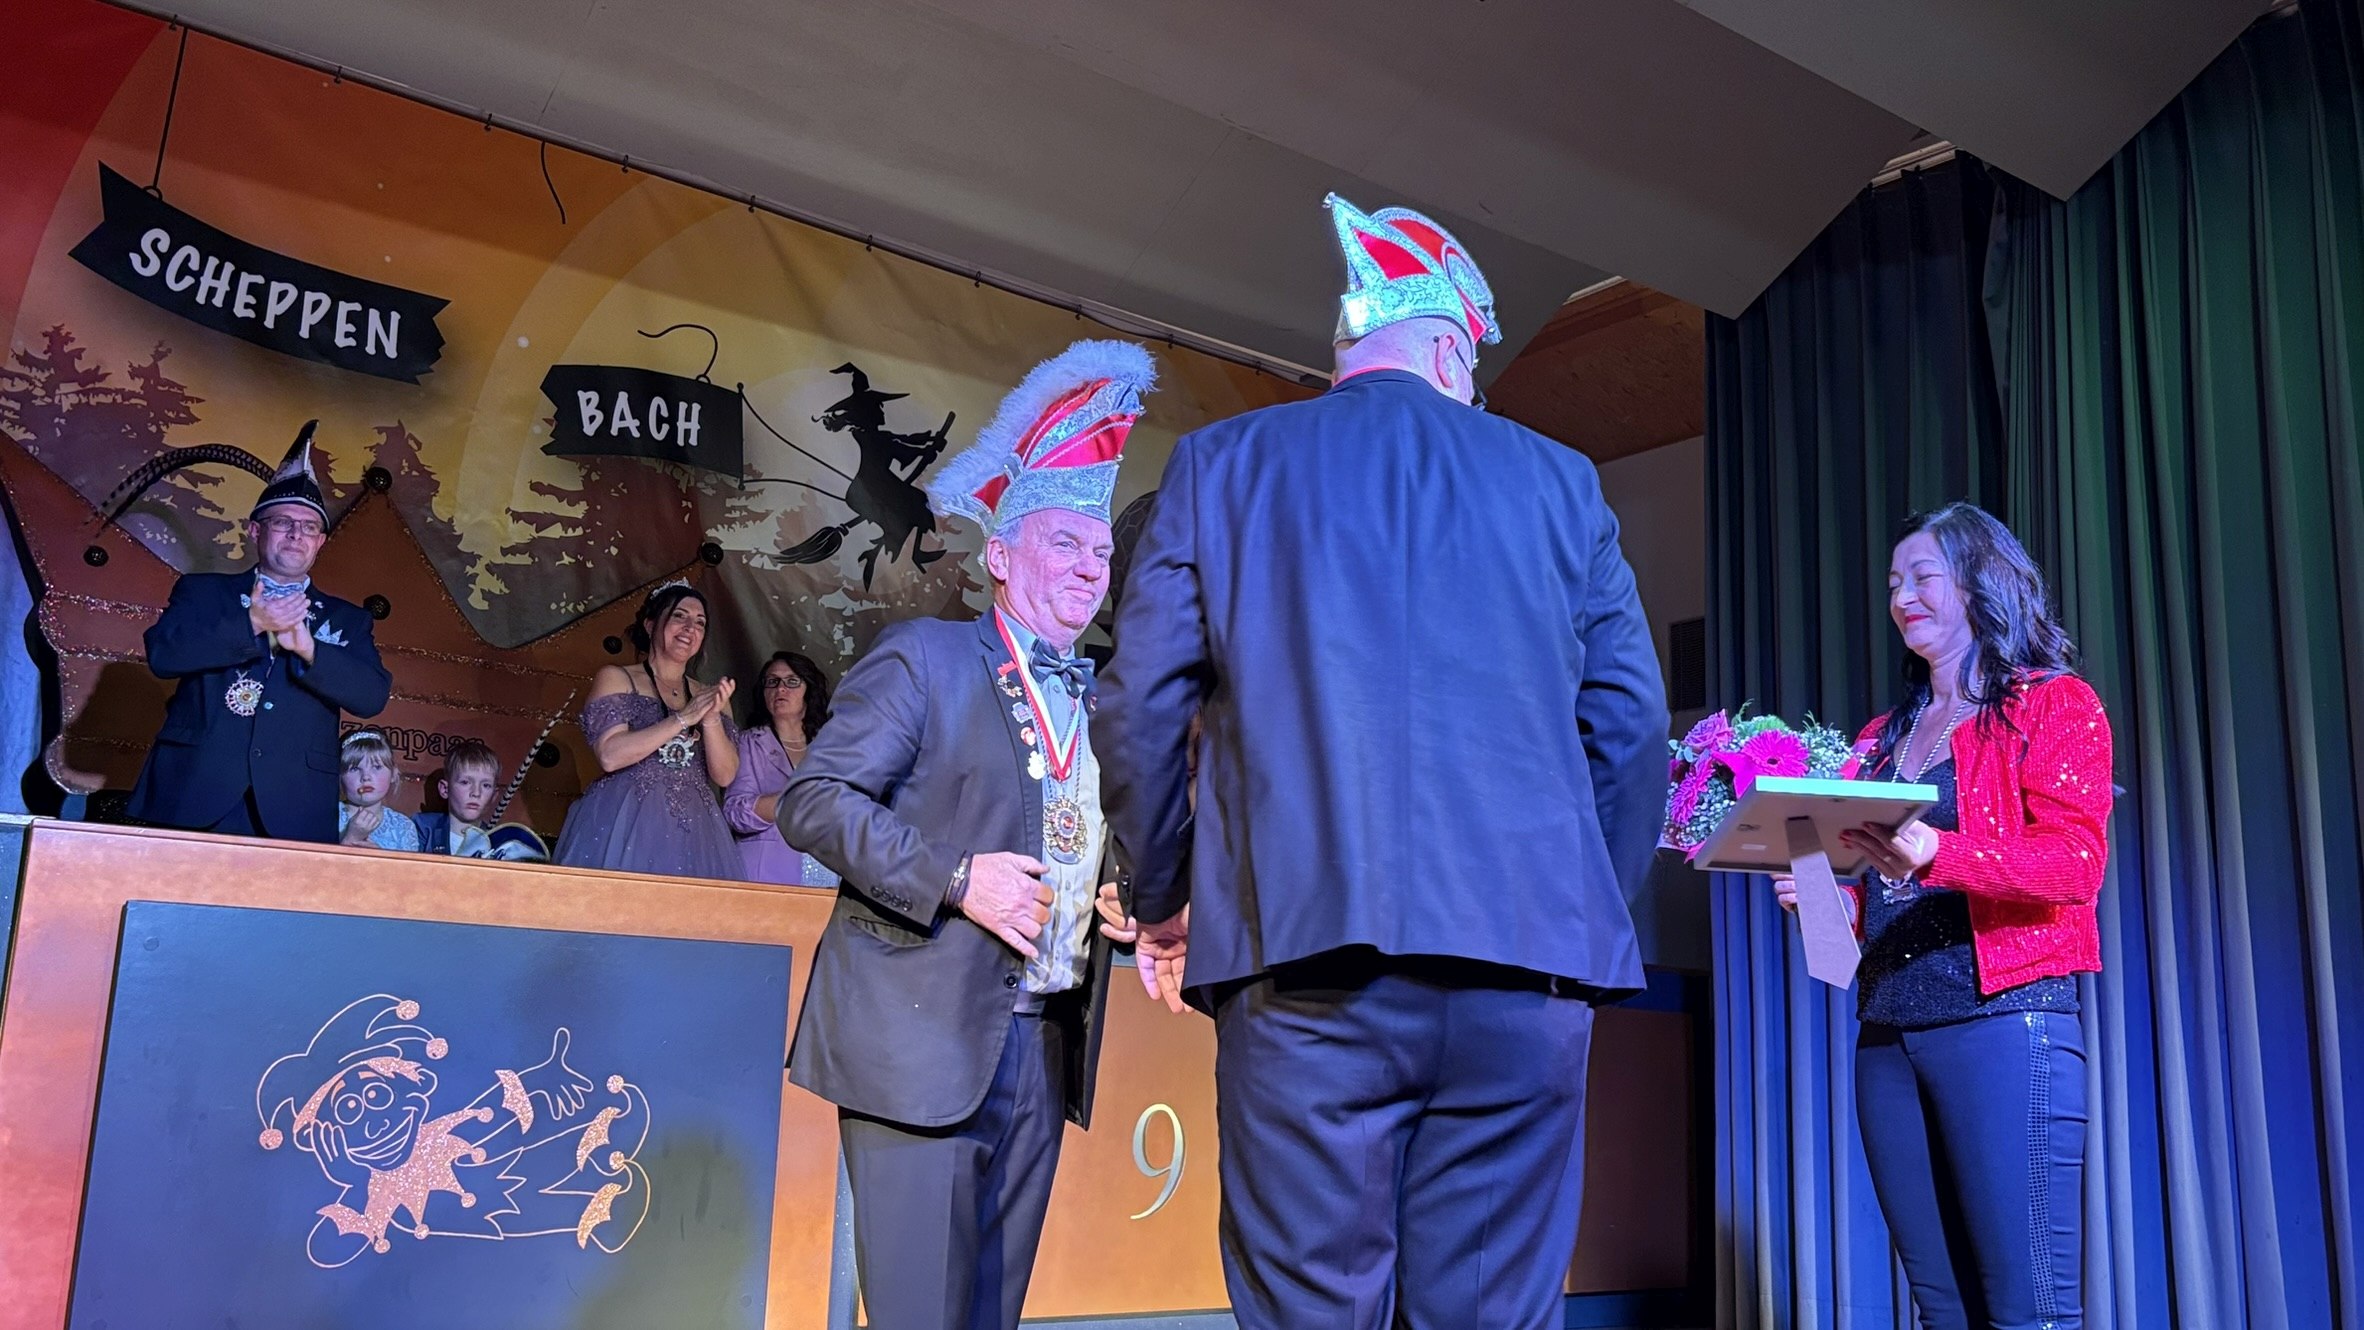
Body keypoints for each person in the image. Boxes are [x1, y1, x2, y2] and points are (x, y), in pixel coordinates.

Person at [1095, 195, 1667, 1330]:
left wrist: (1163, 898)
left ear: (1350, 344)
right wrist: (1572, 910)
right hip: (1524, 981)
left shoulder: (1221, 467)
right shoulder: (1562, 483)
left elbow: (1140, 706)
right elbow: (1631, 724)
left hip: (1306, 971)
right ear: (1452, 350)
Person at [778, 339, 1153, 1330]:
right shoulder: (925, 659)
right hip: (919, 1040)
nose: (1089, 568)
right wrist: (955, 877)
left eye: (1100, 552)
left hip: (1044, 1045)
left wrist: (1118, 894)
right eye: (1065, 543)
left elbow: (1079, 828)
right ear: (1000, 555)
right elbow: (813, 801)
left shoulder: (1102, 701)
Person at [1773, 502, 2109, 1330]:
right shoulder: (1877, 741)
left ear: (1981, 582)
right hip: (1888, 1035)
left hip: (2003, 1024)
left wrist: (1937, 851)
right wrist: (1819, 899)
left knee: (2028, 1312)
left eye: (1923, 576)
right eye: (1894, 583)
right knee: (1942, 1311)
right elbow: (1852, 934)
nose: (1902, 597)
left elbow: (2075, 865)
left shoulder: (2052, 705)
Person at [126, 421, 393, 843]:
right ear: (255, 530)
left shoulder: (347, 619)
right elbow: (163, 655)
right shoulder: (204, 592)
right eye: (283, 522)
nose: (296, 535)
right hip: (196, 792)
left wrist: (311, 650)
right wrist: (252, 623)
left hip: (293, 806)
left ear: (320, 542)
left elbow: (371, 697)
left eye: (309, 527)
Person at [552, 581, 741, 880]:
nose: (690, 628)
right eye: (679, 616)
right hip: (624, 821)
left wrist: (711, 718)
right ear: (651, 624)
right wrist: (683, 718)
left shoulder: (709, 696)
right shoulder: (617, 677)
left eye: (700, 622)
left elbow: (725, 775)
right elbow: (610, 756)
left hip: (694, 830)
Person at [722, 651, 840, 886]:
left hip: (826, 869)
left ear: (809, 690)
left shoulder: (833, 745)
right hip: (765, 875)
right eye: (772, 681)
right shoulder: (748, 743)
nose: (781, 688)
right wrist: (789, 800)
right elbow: (735, 813)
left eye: (792, 681)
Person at [336, 729, 422, 851]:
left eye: (376, 767)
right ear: (340, 777)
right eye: (355, 769)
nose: (366, 777)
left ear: (393, 774)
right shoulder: (329, 816)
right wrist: (350, 838)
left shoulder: (403, 827)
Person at [414, 738, 499, 858]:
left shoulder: (499, 841)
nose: (476, 793)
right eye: (465, 782)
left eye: (486, 785)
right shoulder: (423, 828)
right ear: (445, 789)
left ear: (494, 795)